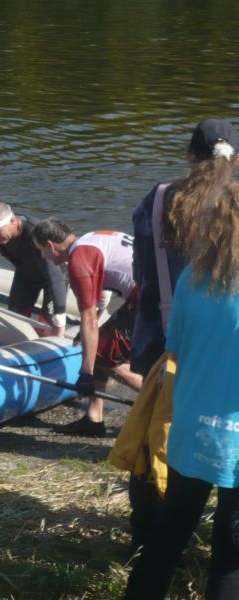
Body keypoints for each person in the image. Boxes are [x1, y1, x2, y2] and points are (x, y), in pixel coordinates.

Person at [126, 118, 239, 551]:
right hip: (215, 340)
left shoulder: (156, 199)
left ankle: (148, 533)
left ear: (189, 154)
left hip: (159, 336)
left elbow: (142, 273)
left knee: (150, 435)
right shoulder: (231, 204)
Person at [32, 218, 143, 436]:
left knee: (101, 356)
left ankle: (168, 404)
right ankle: (94, 419)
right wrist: (89, 338)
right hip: (153, 295)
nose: (43, 257)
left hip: (151, 303)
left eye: (41, 251)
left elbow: (89, 318)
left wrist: (86, 373)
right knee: (99, 347)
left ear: (51, 245)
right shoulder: (92, 238)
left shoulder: (79, 260)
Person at [0, 201, 67, 336]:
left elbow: (55, 277)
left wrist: (59, 322)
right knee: (15, 321)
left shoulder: (37, 233)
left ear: (13, 221)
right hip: (26, 274)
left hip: (53, 277)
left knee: (46, 329)